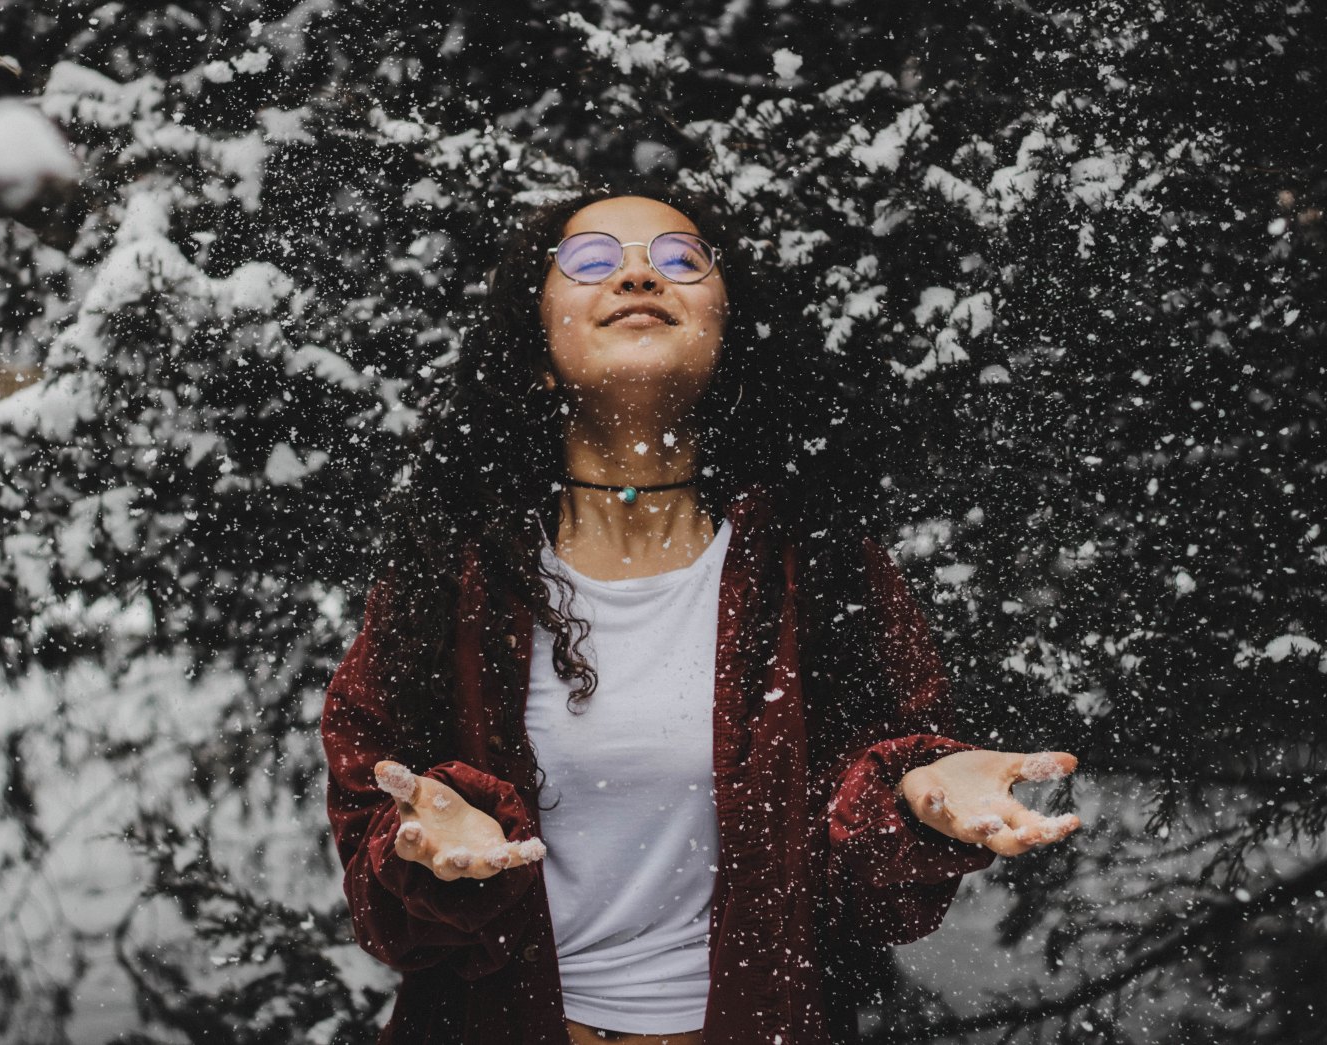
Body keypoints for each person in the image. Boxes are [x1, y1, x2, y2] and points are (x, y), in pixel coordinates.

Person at [320, 186, 1082, 1045]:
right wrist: (426, 848)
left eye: (680, 258)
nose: (639, 274)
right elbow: (386, 896)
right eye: (591, 260)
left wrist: (913, 797)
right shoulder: (456, 580)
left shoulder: (818, 567)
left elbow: (865, 898)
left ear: (728, 337)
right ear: (535, 353)